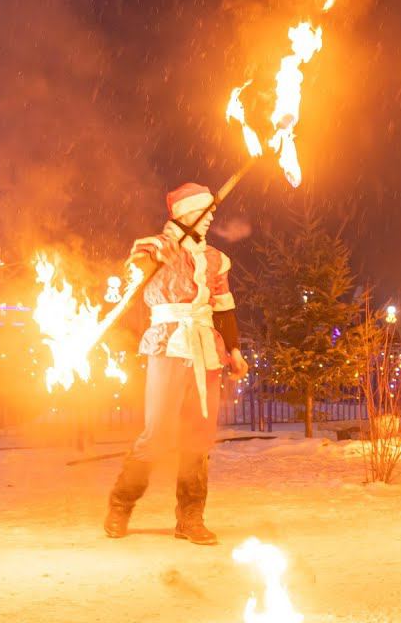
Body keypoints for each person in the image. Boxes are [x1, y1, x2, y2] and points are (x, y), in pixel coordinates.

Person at [103, 183, 248, 544]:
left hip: (204, 346)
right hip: (168, 343)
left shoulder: (215, 258)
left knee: (199, 436)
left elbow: (224, 308)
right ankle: (120, 506)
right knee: (156, 434)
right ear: (184, 213)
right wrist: (153, 256)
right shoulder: (157, 247)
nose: (212, 215)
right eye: (205, 209)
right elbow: (131, 278)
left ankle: (191, 518)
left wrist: (234, 350)